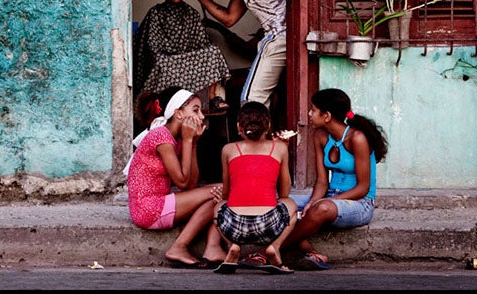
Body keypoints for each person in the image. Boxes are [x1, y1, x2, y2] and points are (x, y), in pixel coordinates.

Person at [257, 87, 388, 271]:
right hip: (330, 195)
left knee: (322, 208)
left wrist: (325, 201)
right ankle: (310, 252)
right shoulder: (320, 136)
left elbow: (363, 188)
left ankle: (269, 250)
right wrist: (312, 201)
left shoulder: (357, 138)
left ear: (326, 116)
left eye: (313, 110)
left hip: (359, 203)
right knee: (278, 202)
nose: (309, 114)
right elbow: (321, 182)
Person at [124, 86, 228, 268]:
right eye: (195, 110)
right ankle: (179, 246)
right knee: (220, 190)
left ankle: (212, 248)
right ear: (178, 114)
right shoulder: (160, 137)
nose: (202, 117)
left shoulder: (175, 139)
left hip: (159, 203)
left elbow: (190, 185)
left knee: (217, 192)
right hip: (148, 209)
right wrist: (188, 141)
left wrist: (193, 143)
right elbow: (181, 181)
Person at [211, 101, 297, 274]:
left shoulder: (228, 149)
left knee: (218, 206)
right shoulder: (280, 148)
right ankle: (274, 247)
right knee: (291, 204)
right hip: (268, 226)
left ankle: (232, 247)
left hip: (234, 227)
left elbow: (226, 193)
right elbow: (285, 192)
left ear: (238, 127)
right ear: (269, 126)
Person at [133, 0, 230, 112]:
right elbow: (153, 49)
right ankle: (166, 104)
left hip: (188, 61)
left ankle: (212, 98)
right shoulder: (156, 13)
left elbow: (202, 43)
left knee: (213, 51)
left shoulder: (191, 13)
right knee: (162, 62)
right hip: (167, 61)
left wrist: (189, 57)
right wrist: (174, 58)